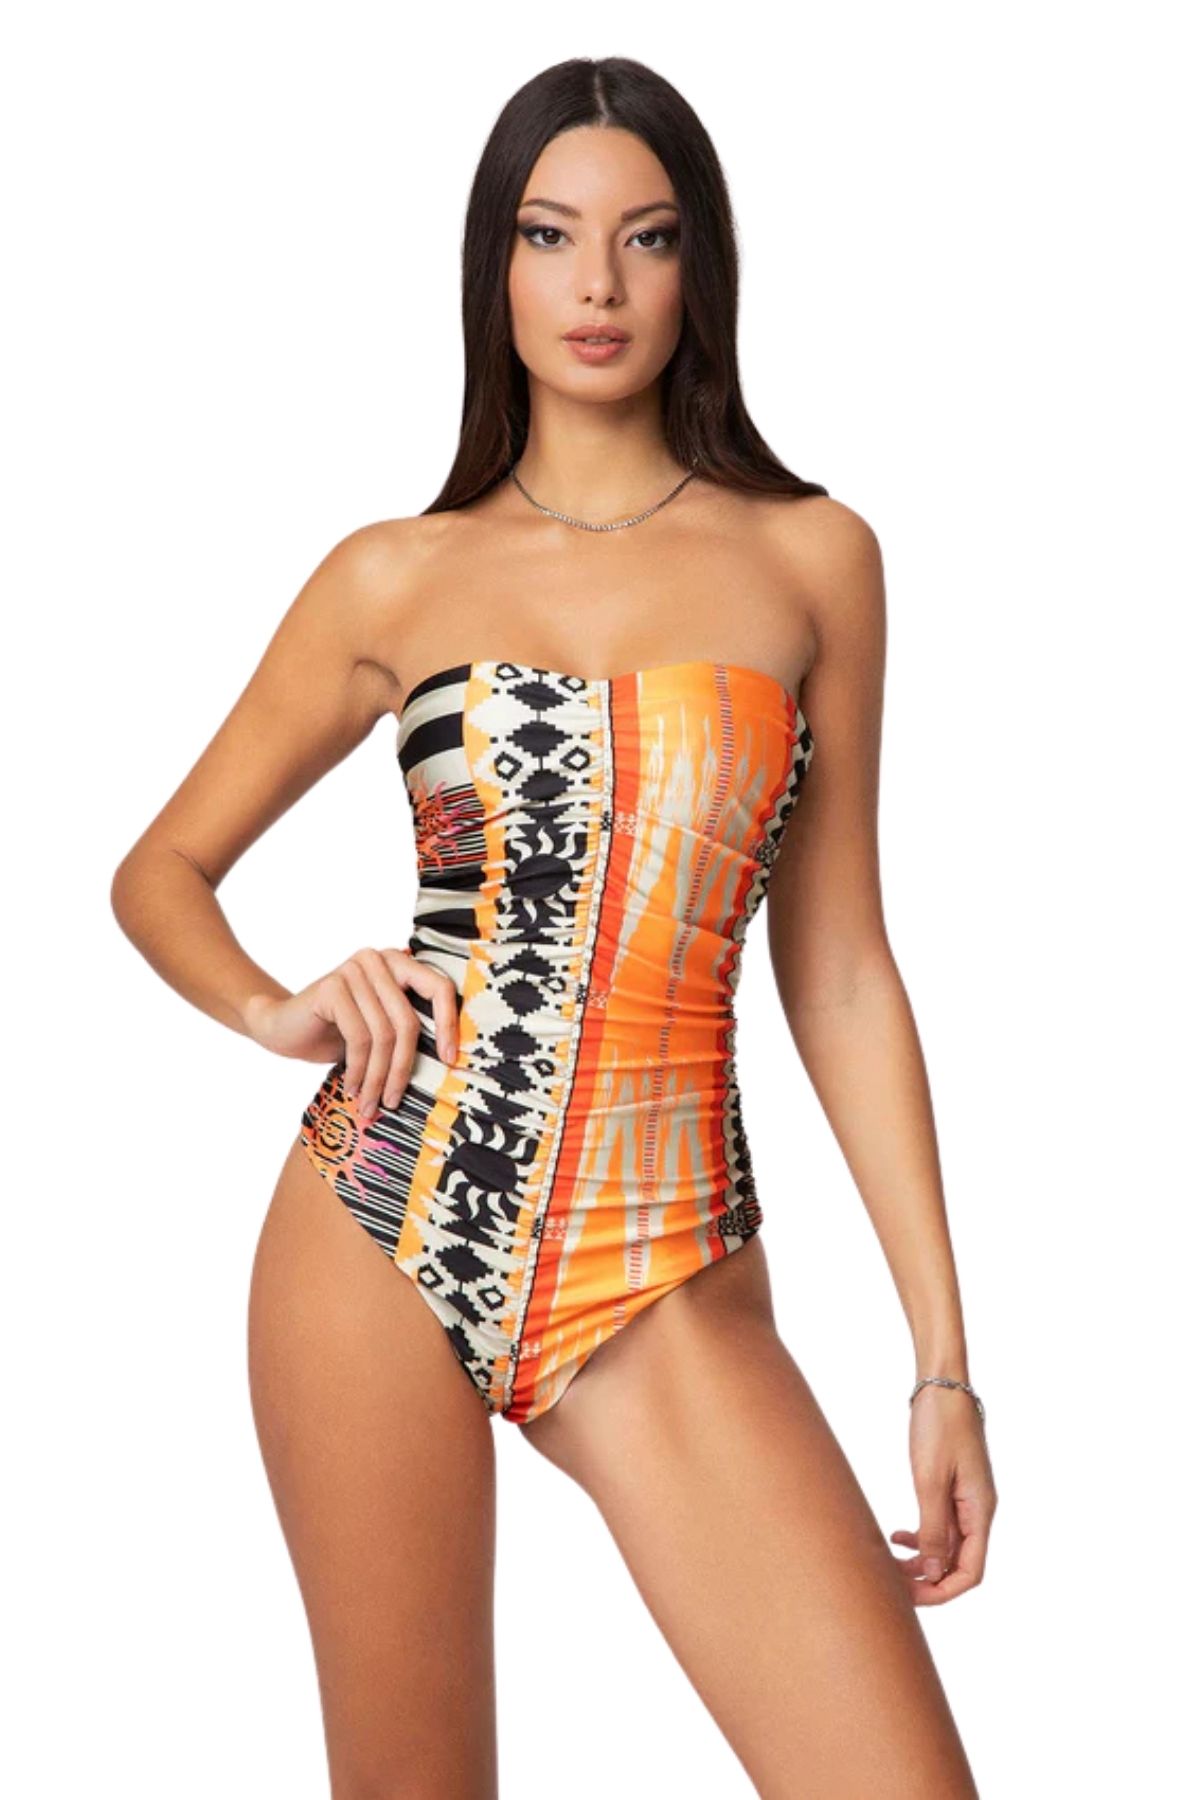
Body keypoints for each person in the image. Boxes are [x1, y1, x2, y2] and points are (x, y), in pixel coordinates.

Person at [111, 54, 996, 1800]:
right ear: (493, 266)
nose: (597, 286)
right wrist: (280, 1005)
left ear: (699, 266)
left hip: (662, 1256)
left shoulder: (814, 558)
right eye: (549, 235)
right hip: (379, 1217)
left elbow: (839, 969)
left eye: (646, 238)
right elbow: (160, 871)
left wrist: (942, 1364)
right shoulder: (395, 573)